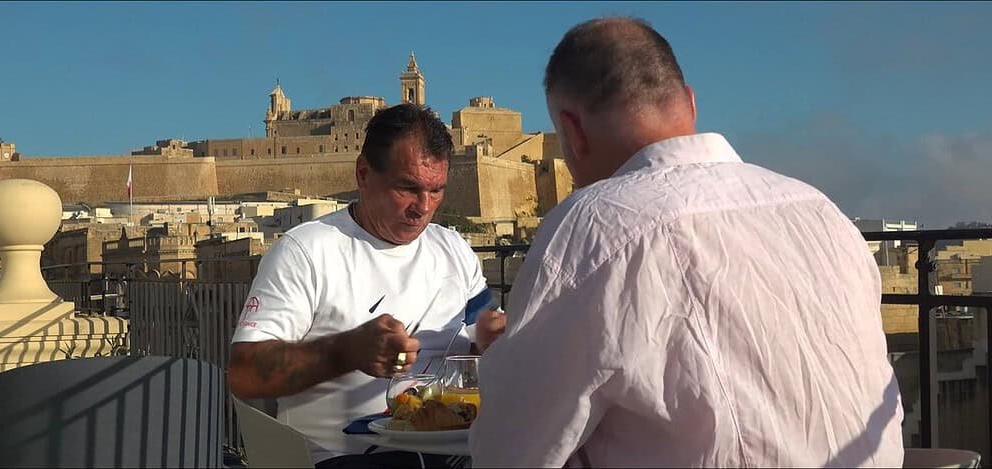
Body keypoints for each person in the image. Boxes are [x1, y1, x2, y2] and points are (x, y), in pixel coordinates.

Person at [470, 17, 904, 467]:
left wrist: (504, 359)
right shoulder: (820, 210)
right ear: (691, 104)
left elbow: (509, 449)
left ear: (572, 130)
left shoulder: (595, 225)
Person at [228, 103, 505, 467]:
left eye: (436, 191)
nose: (423, 207)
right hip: (340, 458)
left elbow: (482, 337)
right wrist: (348, 351)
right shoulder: (306, 251)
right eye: (408, 188)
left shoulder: (453, 249)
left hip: (456, 451)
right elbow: (244, 373)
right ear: (363, 173)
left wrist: (495, 344)